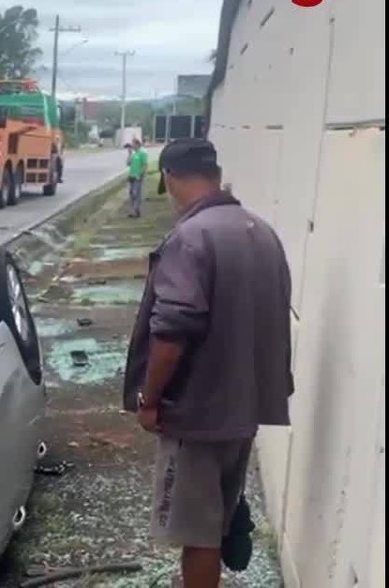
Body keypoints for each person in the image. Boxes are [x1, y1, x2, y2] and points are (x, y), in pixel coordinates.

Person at [123, 139, 294, 588]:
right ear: (215, 174)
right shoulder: (261, 230)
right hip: (243, 408)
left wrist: (150, 399)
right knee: (215, 522)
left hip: (197, 413)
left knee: (197, 534)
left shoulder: (191, 236)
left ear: (171, 178)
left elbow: (174, 328)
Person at [126, 137, 149, 217]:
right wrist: (129, 154)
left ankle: (137, 210)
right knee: (131, 193)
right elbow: (128, 163)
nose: (132, 146)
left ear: (137, 144)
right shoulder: (133, 154)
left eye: (133, 144)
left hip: (138, 177)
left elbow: (145, 165)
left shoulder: (142, 153)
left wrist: (140, 174)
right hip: (131, 176)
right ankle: (132, 210)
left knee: (136, 193)